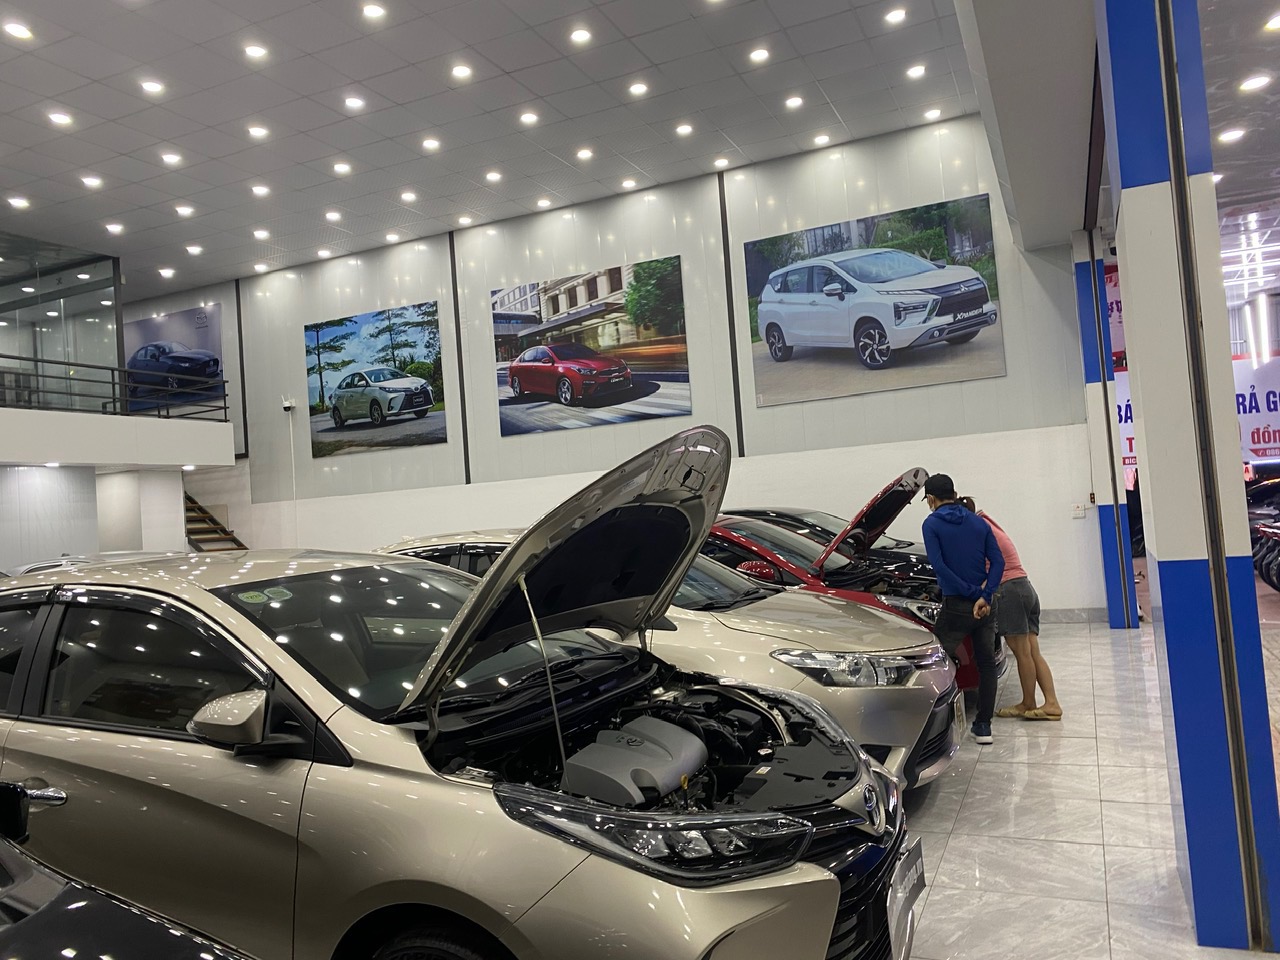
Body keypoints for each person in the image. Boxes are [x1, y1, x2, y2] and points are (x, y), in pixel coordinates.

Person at [960, 497, 1062, 721]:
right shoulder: (988, 523)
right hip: (1025, 587)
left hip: (1009, 591)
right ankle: (1051, 703)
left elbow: (986, 571)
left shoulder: (976, 531)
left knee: (1022, 653)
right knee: (1032, 651)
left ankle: (1028, 703)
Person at [921, 474, 1004, 744]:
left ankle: (934, 729)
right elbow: (998, 562)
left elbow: (940, 567)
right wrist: (984, 595)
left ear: (931, 499)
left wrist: (969, 593)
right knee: (986, 663)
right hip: (985, 606)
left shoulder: (931, 524)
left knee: (934, 662)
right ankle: (983, 726)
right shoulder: (978, 522)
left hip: (957, 605)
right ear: (954, 494)